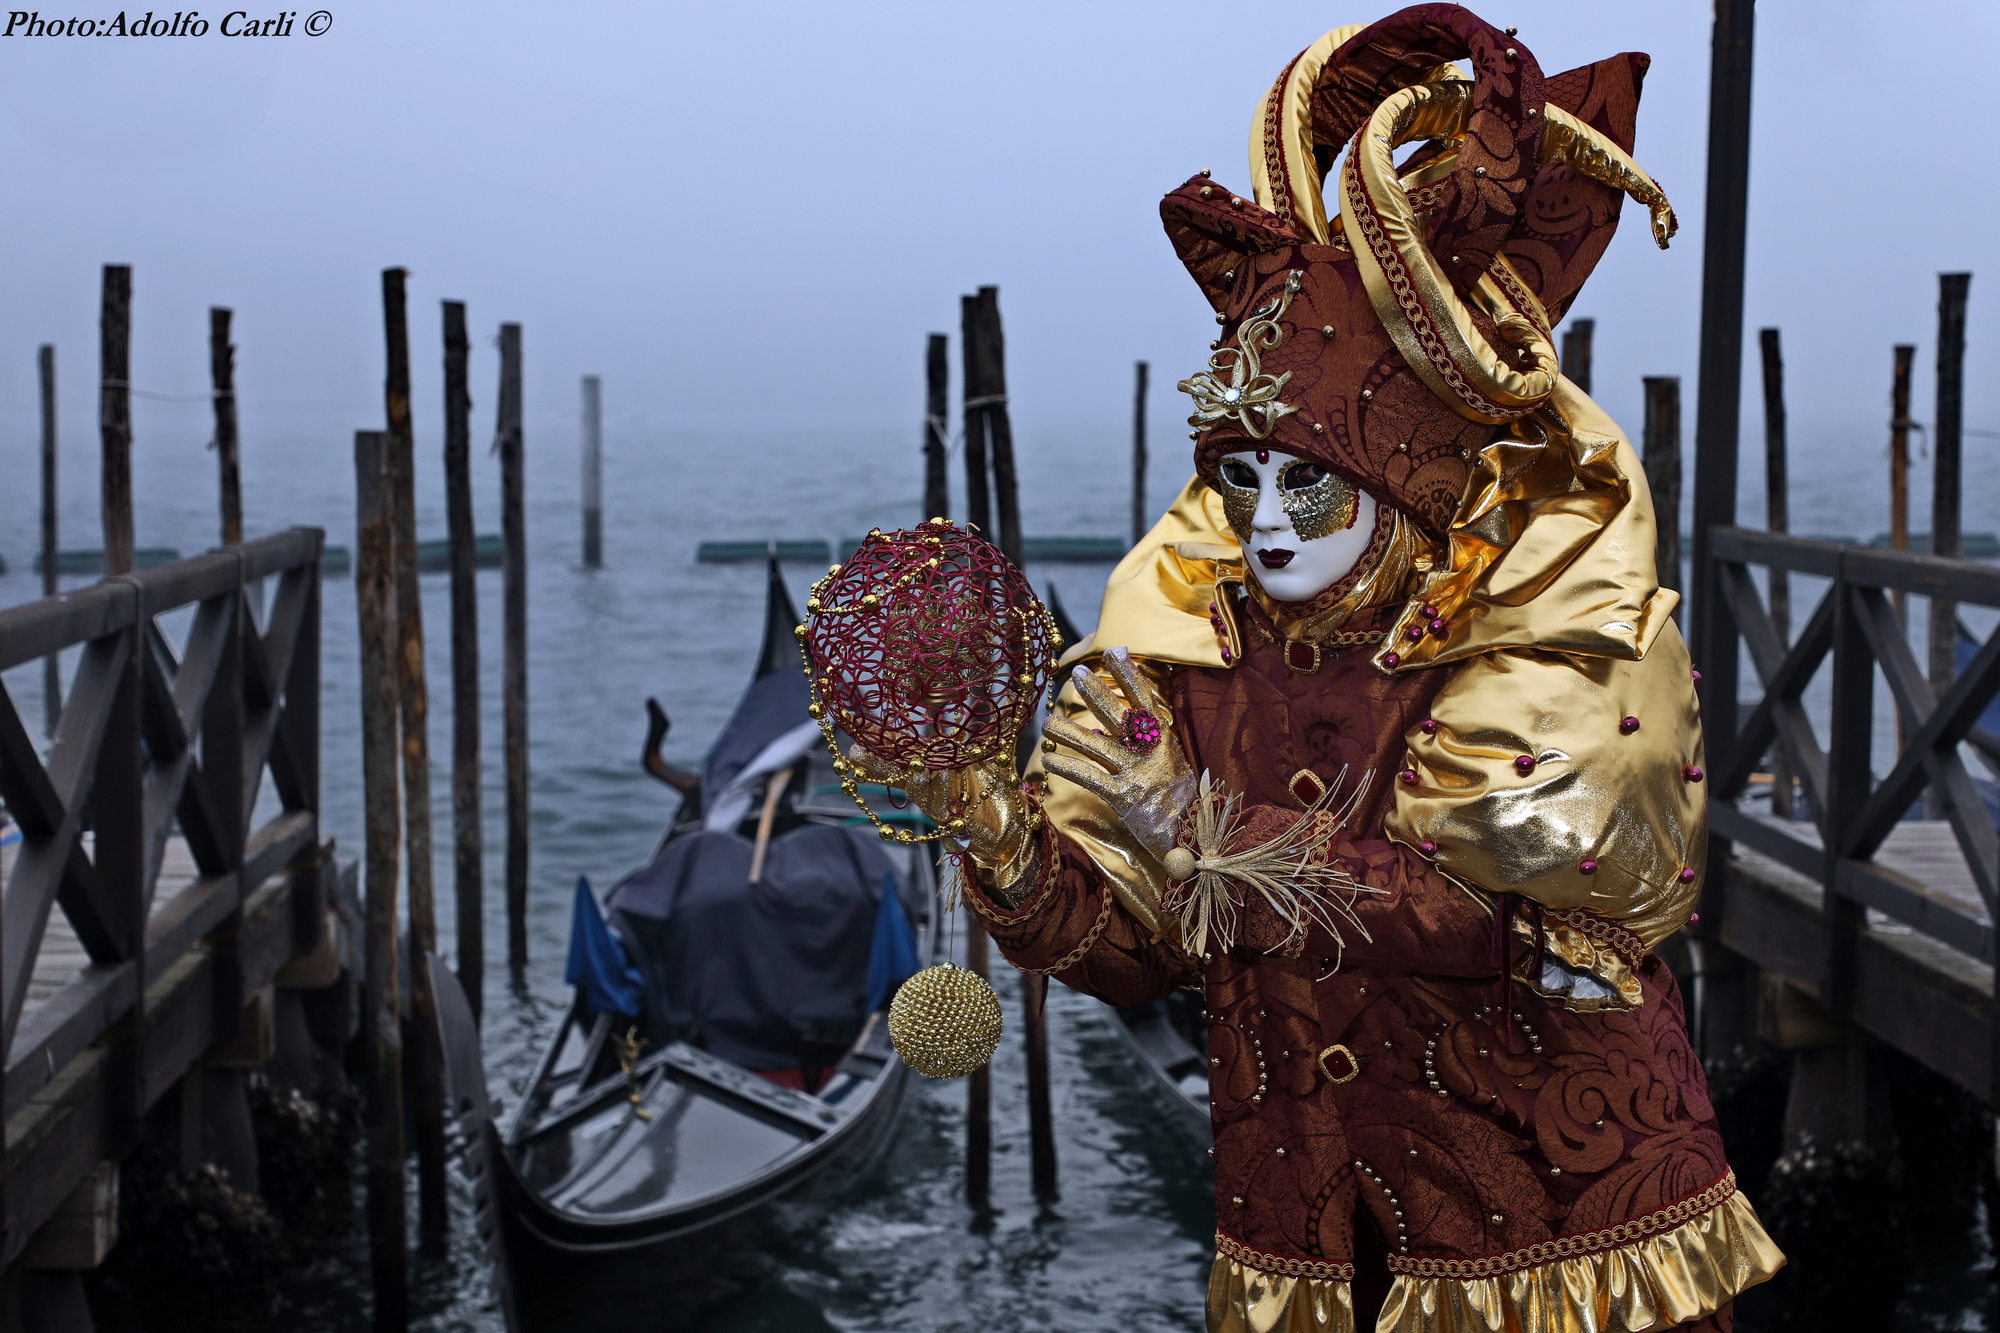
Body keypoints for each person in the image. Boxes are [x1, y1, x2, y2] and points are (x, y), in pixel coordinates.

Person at [856, 7, 1783, 1329]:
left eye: (1310, 483)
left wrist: (1196, 832)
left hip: (1563, 1226)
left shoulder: (1530, 626)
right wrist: (1001, 836)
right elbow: (1141, 949)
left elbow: (1486, 914)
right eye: (1241, 480)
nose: (1267, 522)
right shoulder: (1190, 652)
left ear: (1401, 484)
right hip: (1304, 1226)